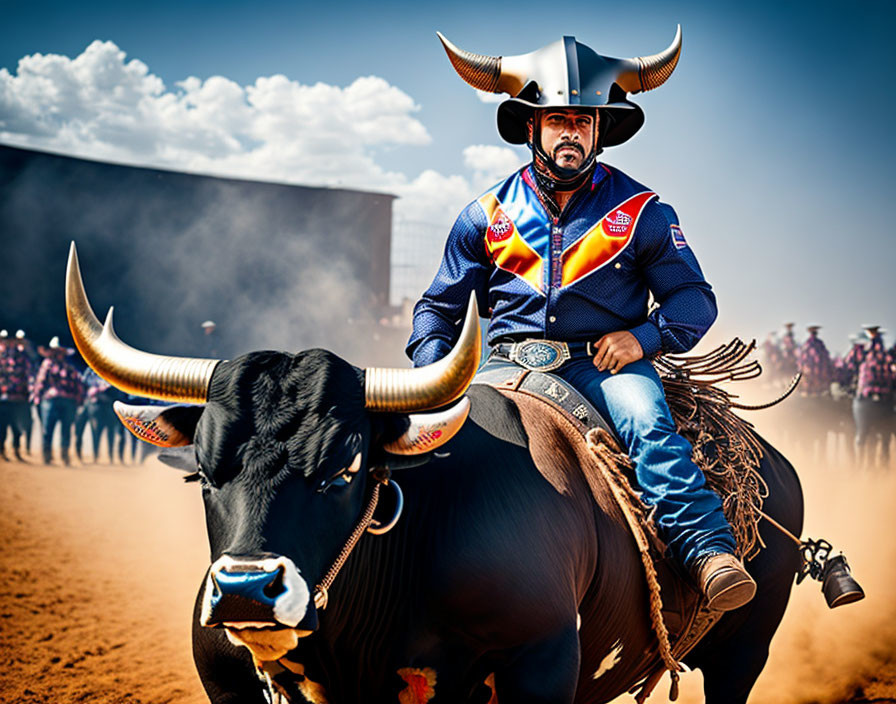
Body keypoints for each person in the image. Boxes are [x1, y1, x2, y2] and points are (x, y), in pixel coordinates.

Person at [407, 29, 755, 611]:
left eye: (584, 121)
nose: (572, 132)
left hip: (602, 366)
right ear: (530, 128)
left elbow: (695, 300)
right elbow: (437, 308)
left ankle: (708, 552)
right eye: (558, 119)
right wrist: (431, 372)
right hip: (502, 367)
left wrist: (641, 338)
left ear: (600, 131)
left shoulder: (644, 210)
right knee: (427, 447)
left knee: (648, 424)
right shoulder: (483, 214)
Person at [31, 336, 85, 465]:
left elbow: (78, 383)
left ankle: (64, 456)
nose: (59, 353)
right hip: (50, 401)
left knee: (66, 429)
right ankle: (47, 456)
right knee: (47, 429)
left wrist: (79, 398)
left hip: (68, 401)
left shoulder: (70, 366)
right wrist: (37, 396)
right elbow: (40, 381)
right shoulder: (47, 364)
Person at [853, 325, 894, 467]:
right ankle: (885, 464)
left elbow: (847, 367)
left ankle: (859, 463)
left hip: (865, 398)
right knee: (886, 435)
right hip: (885, 399)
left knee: (861, 433)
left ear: (868, 333)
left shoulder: (862, 350)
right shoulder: (887, 353)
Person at [0, 329, 34, 460]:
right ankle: (2, 450)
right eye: (8, 340)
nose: (10, 343)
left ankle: (17, 450)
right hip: (3, 398)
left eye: (13, 340)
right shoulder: (1, 355)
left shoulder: (23, 356)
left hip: (19, 398)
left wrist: (31, 391)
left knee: (17, 427)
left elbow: (30, 373)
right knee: (2, 426)